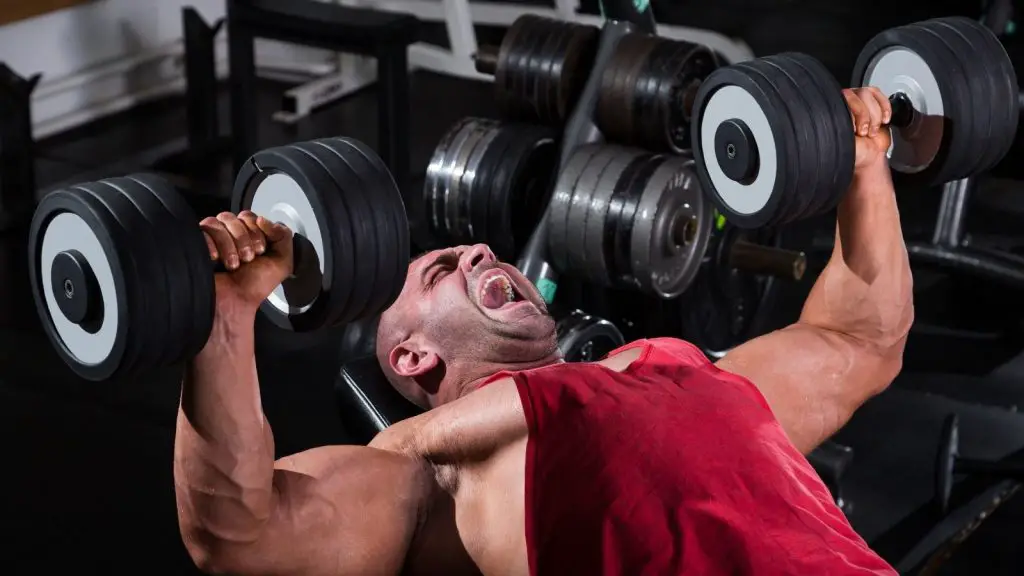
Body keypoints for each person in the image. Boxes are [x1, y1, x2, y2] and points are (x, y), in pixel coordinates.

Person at [174, 87, 911, 575]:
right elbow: (238, 532)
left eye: (478, 252)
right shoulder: (428, 472)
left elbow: (859, 341)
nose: (479, 251)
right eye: (441, 271)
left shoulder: (678, 367)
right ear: (412, 354)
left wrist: (862, 166)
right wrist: (224, 320)